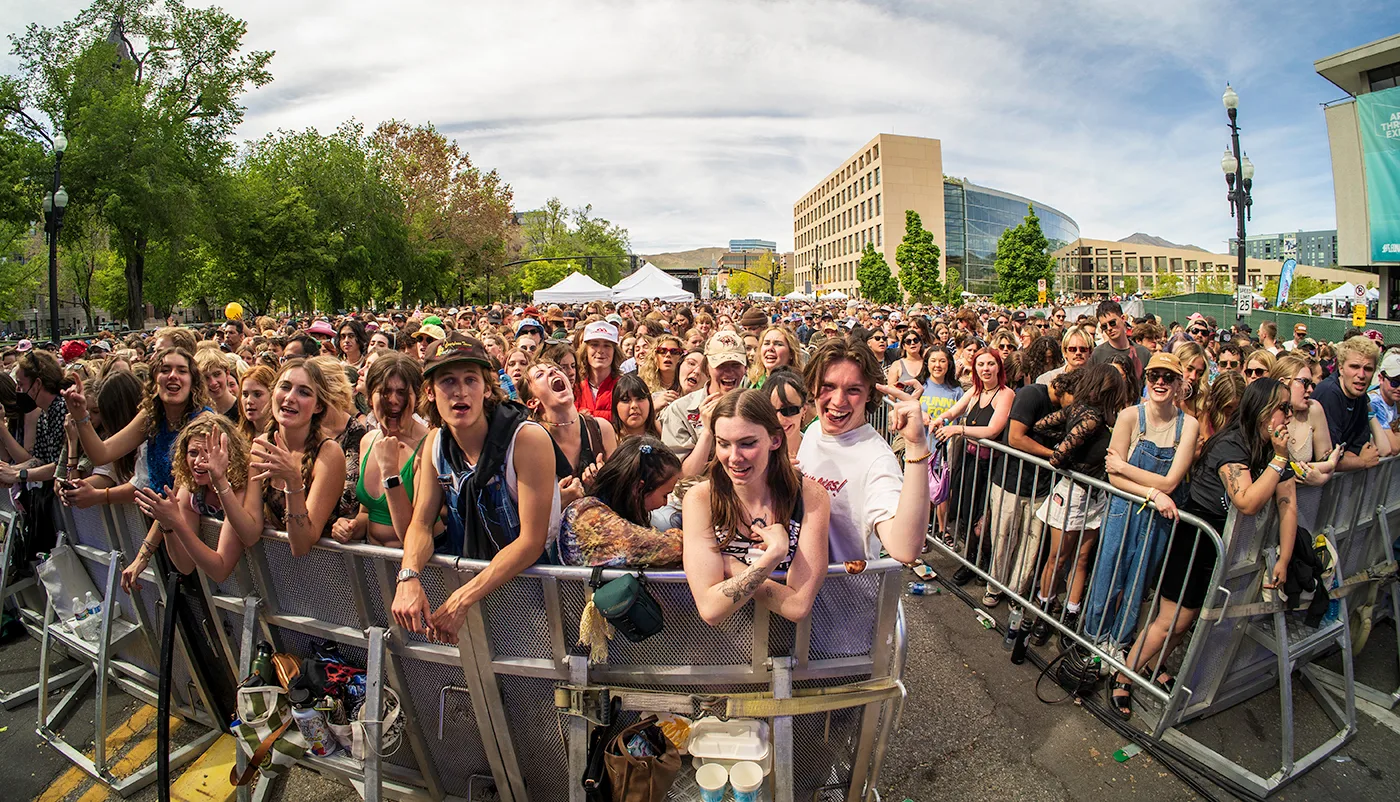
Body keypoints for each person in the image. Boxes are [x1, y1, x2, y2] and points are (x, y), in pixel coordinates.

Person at [1111, 379, 1300, 715]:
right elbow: (1247, 502)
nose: (1290, 414)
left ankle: (1155, 664)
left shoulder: (1273, 445)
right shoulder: (1234, 444)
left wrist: (1284, 557)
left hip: (1222, 545)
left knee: (1191, 618)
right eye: (1283, 407)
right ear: (1262, 411)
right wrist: (1279, 459)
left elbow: (1287, 503)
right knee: (1172, 620)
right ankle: (1123, 675)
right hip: (1196, 539)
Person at [683, 390, 830, 624]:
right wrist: (771, 557)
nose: (734, 457)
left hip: (789, 651)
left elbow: (797, 605)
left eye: (747, 443)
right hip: (719, 651)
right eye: (723, 444)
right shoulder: (701, 499)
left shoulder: (809, 496)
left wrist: (731, 565)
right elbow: (710, 609)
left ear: (775, 440)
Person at [1087, 353, 1199, 658]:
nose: (1160, 383)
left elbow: (1171, 482)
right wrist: (1154, 493)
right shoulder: (1129, 416)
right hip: (1124, 510)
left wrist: (1126, 469)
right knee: (1107, 575)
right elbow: (1113, 478)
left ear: (1179, 384)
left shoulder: (1188, 426)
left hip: (1157, 519)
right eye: (1154, 376)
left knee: (1138, 582)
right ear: (1145, 380)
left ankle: (1119, 644)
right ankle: (1093, 640)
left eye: (1168, 377)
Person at [797, 337, 931, 564]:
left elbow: (905, 549)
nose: (838, 401)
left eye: (853, 390)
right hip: (804, 592)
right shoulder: (814, 431)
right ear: (812, 386)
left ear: (869, 393)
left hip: (848, 596)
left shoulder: (876, 459)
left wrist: (916, 446)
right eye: (828, 386)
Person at [1027, 363, 1130, 645]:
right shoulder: (1091, 417)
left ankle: (1070, 614)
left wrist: (1069, 441)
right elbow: (1055, 455)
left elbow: (1041, 426)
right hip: (1073, 493)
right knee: (1058, 558)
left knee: (1080, 559)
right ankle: (1044, 611)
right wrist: (1070, 449)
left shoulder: (1091, 414)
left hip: (1094, 495)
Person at [931, 348, 1015, 560]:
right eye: (980, 365)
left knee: (983, 518)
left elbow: (993, 430)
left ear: (999, 367)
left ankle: (982, 561)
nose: (985, 369)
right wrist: (942, 418)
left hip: (991, 466)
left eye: (990, 364)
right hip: (969, 461)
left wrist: (958, 429)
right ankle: (971, 558)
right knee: (966, 513)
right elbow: (954, 410)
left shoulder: (1006, 394)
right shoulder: (976, 391)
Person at [558, 437, 684, 568]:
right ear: (638, 488)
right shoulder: (588, 514)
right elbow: (669, 547)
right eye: (665, 495)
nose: (666, 503)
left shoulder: (615, 511)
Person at [352, 353, 429, 548]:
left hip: (418, 571)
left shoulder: (428, 446)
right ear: (370, 398)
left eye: (402, 393)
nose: (394, 400)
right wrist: (350, 526)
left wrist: (390, 472)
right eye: (385, 392)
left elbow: (413, 536)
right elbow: (367, 513)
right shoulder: (367, 441)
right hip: (373, 565)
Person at [519, 359, 616, 504]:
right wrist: (558, 503)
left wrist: (603, 483)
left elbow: (622, 492)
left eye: (555, 369)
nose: (552, 372)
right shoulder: (530, 444)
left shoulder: (601, 429)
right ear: (533, 402)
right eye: (540, 375)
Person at [661, 332, 749, 478]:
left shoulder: (755, 407)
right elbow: (682, 476)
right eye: (721, 365)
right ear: (707, 367)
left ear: (745, 368)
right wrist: (707, 432)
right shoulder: (680, 410)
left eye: (735, 365)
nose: (729, 372)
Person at [1269, 353, 1343, 484]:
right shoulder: (1267, 415)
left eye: (1312, 384)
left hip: (1308, 499)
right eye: (1305, 382)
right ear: (1283, 383)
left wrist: (1323, 478)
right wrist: (1331, 464)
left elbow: (1325, 461)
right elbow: (1281, 469)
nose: (1310, 390)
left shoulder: (1314, 409)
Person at [1312, 336, 1381, 472]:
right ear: (1341, 368)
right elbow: (1327, 459)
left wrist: (1350, 460)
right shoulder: (1329, 393)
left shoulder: (1359, 394)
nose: (1361, 375)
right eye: (1354, 367)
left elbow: (1360, 446)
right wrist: (1361, 462)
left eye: (1368, 369)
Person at [1089, 300, 1150, 383]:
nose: (1109, 328)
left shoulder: (1143, 352)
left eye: (1112, 323)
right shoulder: (1097, 354)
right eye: (1104, 326)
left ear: (1123, 319)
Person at [575, 321, 622, 423]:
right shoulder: (575, 386)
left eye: (607, 345)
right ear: (585, 350)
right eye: (595, 345)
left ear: (615, 351)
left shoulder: (623, 387)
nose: (600, 350)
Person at [765, 368, 808, 459]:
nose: (779, 419)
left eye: (788, 410)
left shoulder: (819, 450)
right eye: (770, 411)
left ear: (804, 410)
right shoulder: (755, 457)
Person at [639, 334, 685, 412]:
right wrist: (653, 408)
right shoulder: (642, 385)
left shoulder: (687, 386)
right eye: (662, 351)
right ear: (654, 356)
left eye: (674, 352)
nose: (668, 355)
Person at [610, 372, 660, 440]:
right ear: (615, 406)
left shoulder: (663, 432)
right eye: (626, 400)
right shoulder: (607, 439)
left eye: (640, 399)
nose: (634, 406)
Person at [1370, 351, 1400, 457]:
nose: (1399, 388)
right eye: (1395, 382)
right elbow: (1394, 447)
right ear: (1381, 378)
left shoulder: (1397, 401)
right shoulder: (1374, 401)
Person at [237, 365, 277, 441]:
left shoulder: (284, 436)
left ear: (273, 395)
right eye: (245, 394)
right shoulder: (236, 437)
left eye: (257, 394)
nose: (249, 401)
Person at [1173, 342, 1210, 420]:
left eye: (1199, 373)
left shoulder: (1199, 402)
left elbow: (1204, 432)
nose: (1193, 377)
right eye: (1189, 369)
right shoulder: (1161, 395)